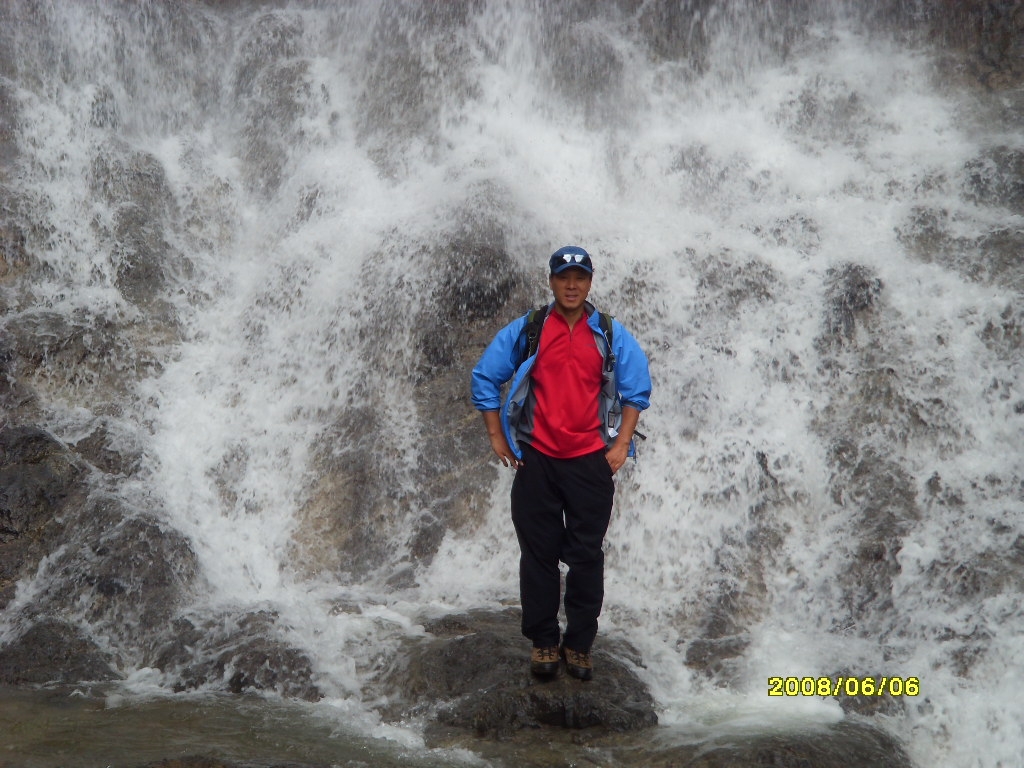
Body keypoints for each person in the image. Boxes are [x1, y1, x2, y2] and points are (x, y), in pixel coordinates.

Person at [470, 245, 652, 680]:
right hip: (537, 460)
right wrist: (497, 435)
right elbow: (486, 376)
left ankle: (580, 645)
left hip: (590, 461)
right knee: (539, 555)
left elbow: (636, 387)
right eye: (563, 277)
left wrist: (622, 444)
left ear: (590, 282)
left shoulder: (608, 331)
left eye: (580, 277)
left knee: (587, 555)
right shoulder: (530, 328)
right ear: (551, 281)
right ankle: (544, 642)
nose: (572, 285)